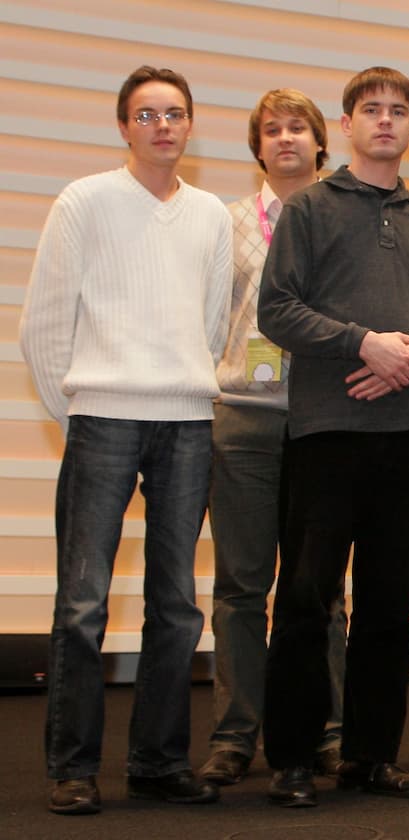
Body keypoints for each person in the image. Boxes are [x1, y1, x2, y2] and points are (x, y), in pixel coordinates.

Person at [22, 64, 231, 816]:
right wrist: (79, 404)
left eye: (175, 113)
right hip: (103, 418)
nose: (163, 126)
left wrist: (180, 382)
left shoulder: (210, 213)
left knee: (176, 604)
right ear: (123, 126)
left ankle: (157, 761)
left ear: (190, 124)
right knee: (83, 601)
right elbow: (43, 321)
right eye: (147, 115)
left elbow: (211, 322)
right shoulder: (85, 201)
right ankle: (72, 767)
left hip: (186, 422)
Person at [258, 66, 409, 807]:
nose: (386, 121)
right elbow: (277, 311)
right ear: (347, 125)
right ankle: (290, 757)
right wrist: (362, 344)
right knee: (308, 598)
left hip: (406, 432)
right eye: (371, 110)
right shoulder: (310, 208)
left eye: (399, 111)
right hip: (325, 433)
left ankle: (370, 757)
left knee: (390, 604)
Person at [199, 88, 348, 790]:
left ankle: (326, 729)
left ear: (322, 144)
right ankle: (235, 734)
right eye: (272, 130)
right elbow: (201, 321)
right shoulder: (223, 225)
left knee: (322, 589)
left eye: (299, 128)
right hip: (244, 416)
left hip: (323, 420)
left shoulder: (343, 220)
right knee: (239, 586)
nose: (286, 138)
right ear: (257, 147)